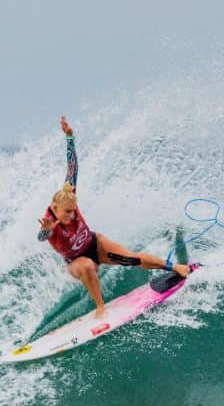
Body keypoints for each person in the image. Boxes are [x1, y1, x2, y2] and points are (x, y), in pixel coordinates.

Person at [38, 116, 190, 319]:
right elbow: (41, 236)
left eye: (74, 210)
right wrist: (46, 230)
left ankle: (174, 267)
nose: (72, 214)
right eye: (67, 212)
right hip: (76, 261)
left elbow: (73, 168)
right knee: (87, 266)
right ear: (55, 207)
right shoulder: (51, 224)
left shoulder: (67, 194)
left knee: (131, 258)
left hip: (95, 244)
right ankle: (101, 307)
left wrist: (69, 137)